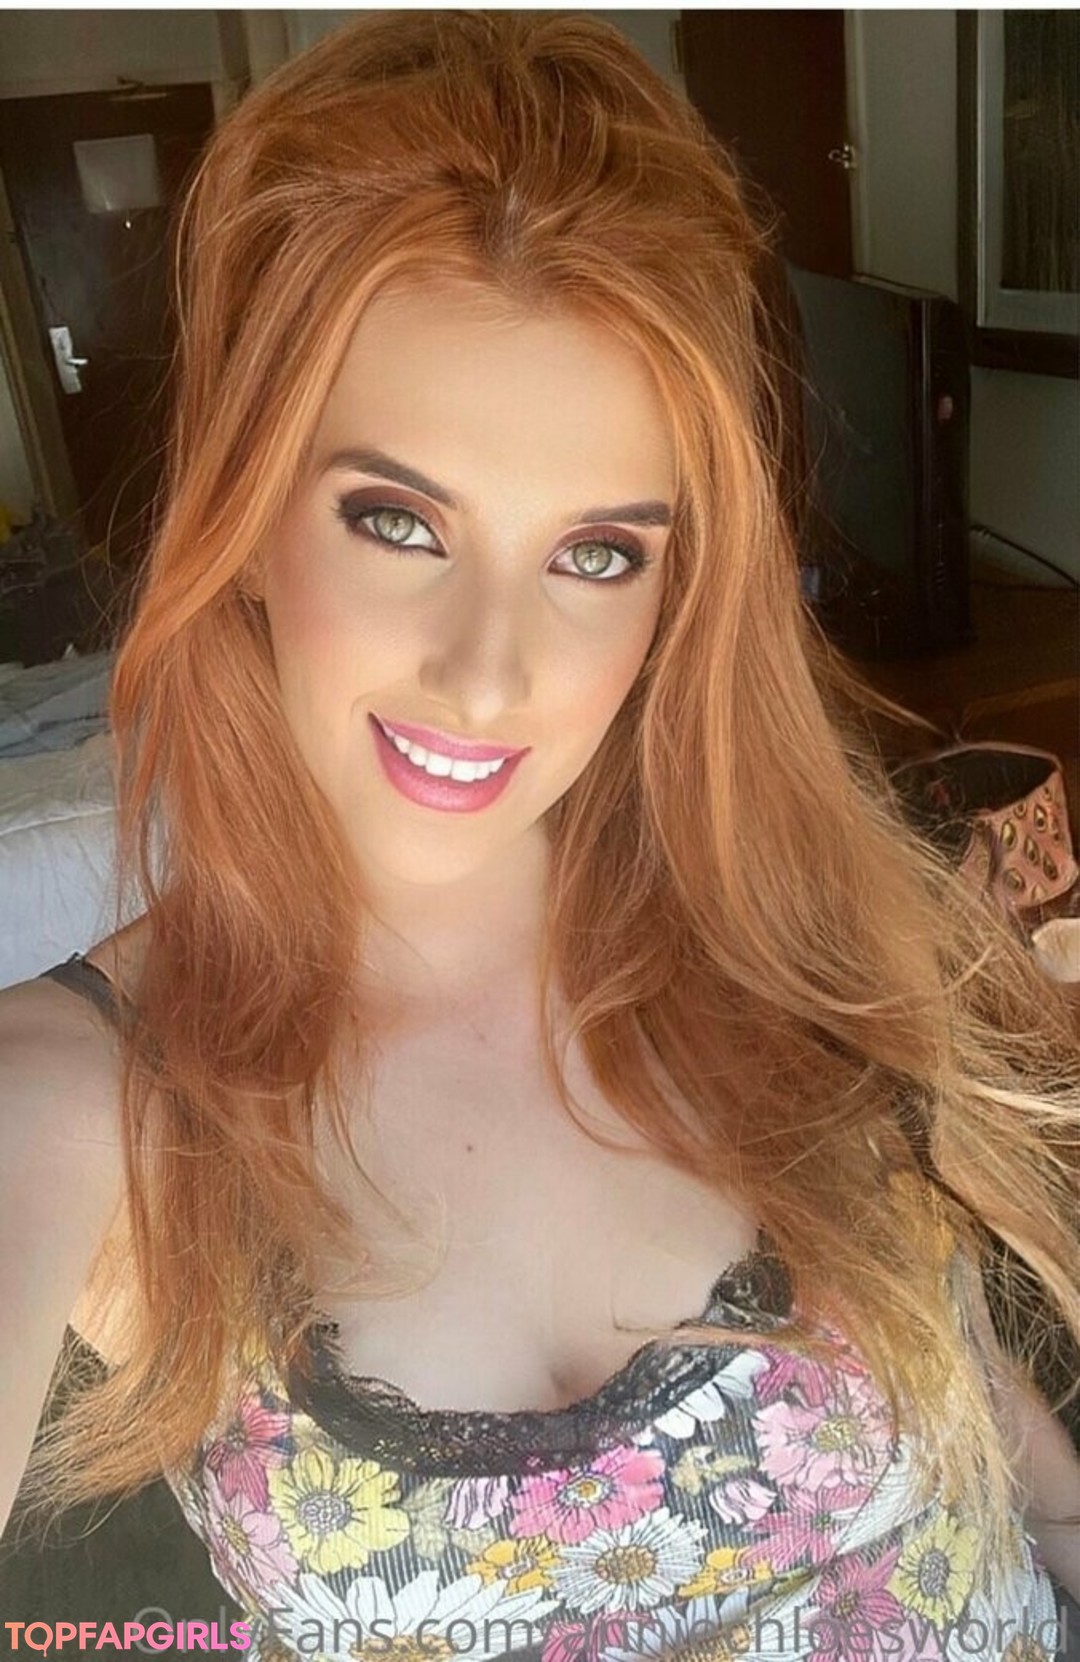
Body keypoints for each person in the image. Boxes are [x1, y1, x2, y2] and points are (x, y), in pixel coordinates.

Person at [2, 12, 1078, 1660]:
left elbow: (1000, 1448)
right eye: (398, 520)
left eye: (596, 554)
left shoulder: (787, 925)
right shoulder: (81, 1100)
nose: (490, 674)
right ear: (248, 511)